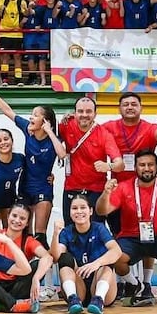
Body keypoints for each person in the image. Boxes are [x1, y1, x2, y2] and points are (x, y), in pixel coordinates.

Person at [96, 151, 157, 307]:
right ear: (135, 167)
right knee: (114, 255)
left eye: (150, 165)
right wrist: (106, 193)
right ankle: (134, 284)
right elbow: (102, 210)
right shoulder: (124, 187)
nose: (146, 168)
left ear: (156, 167)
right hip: (131, 237)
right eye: (142, 165)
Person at [101, 92, 157, 301]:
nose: (130, 107)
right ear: (119, 108)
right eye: (125, 104)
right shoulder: (109, 127)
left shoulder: (149, 128)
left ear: (141, 108)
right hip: (119, 193)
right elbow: (88, 132)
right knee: (120, 238)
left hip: (146, 192)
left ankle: (148, 282)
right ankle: (131, 283)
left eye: (134, 104)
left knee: (147, 236)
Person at [0, 80, 65, 247]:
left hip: (43, 189)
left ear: (45, 121)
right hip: (25, 189)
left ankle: (43, 269)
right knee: (24, 234)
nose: (30, 117)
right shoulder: (28, 130)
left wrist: (49, 131)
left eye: (35, 115)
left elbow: (62, 154)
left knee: (39, 236)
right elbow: (8, 111)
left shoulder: (53, 139)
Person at [51, 195, 122, 314]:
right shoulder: (66, 232)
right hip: (79, 288)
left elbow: (117, 251)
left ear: (90, 211)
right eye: (74, 208)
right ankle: (73, 298)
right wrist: (55, 234)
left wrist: (96, 263)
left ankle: (98, 300)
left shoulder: (99, 228)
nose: (79, 211)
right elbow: (56, 257)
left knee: (107, 260)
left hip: (101, 286)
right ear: (70, 212)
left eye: (82, 207)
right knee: (65, 257)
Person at [57, 97, 123, 226]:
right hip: (71, 188)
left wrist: (108, 166)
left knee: (96, 230)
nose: (84, 115)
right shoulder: (65, 125)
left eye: (88, 112)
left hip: (96, 191)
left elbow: (120, 164)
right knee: (71, 230)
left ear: (95, 114)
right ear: (74, 113)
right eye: (80, 111)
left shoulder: (104, 134)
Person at [0, 203, 54, 313]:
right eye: (14, 216)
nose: (17, 220)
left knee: (36, 265)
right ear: (8, 216)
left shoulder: (28, 241)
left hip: (16, 285)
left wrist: (36, 278)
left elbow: (48, 257)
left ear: (27, 223)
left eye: (22, 218)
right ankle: (14, 305)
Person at [0, 0, 28, 86]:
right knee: (4, 56)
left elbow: (26, 15)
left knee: (17, 56)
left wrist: (22, 23)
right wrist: (1, 10)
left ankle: (18, 78)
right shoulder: (2, 0)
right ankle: (5, 79)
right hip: (5, 32)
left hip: (17, 33)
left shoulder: (22, 2)